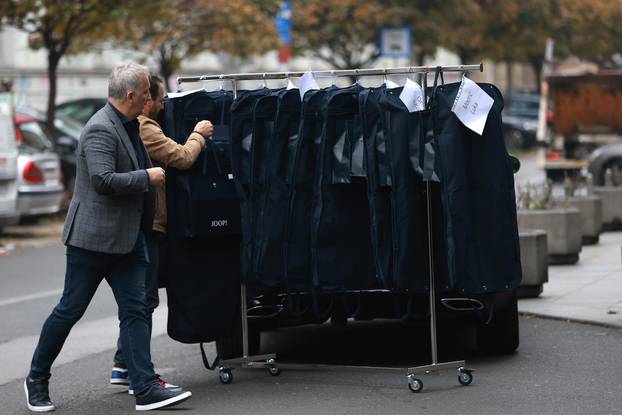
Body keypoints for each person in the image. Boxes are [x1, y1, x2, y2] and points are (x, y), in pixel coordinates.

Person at [24, 62, 192, 412]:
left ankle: (144, 387)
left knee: (135, 310)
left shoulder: (130, 125)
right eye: (146, 92)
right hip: (92, 241)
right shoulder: (100, 128)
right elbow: (103, 180)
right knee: (70, 310)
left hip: (130, 241)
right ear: (130, 95)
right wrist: (146, 177)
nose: (150, 98)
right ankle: (37, 379)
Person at [109, 72, 213, 392]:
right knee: (142, 299)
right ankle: (136, 372)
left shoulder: (138, 124)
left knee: (139, 299)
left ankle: (124, 365)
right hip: (148, 224)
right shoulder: (145, 126)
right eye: (158, 97)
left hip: (145, 223)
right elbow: (181, 158)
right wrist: (199, 134)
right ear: (145, 98)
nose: (163, 103)